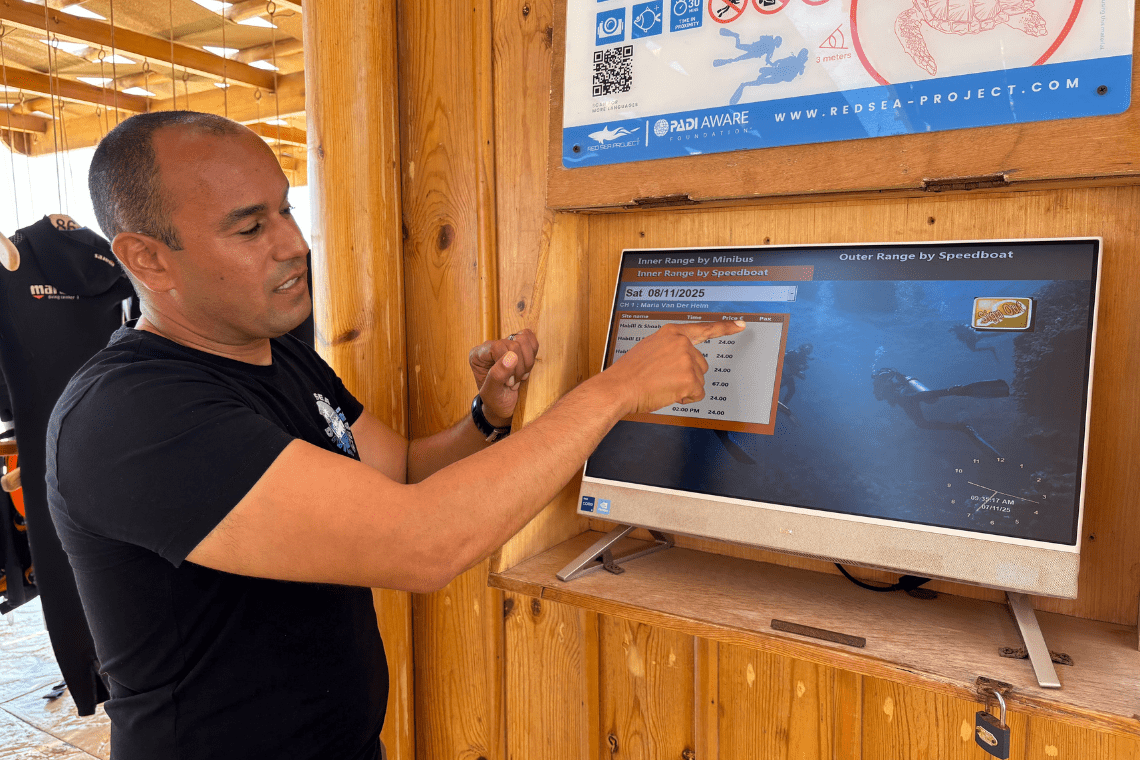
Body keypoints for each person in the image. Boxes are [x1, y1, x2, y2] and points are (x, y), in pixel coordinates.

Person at [44, 111, 744, 760]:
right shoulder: (130, 415)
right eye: (251, 228)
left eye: (287, 210)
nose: (294, 245)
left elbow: (400, 472)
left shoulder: (277, 353)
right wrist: (616, 390)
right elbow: (421, 542)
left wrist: (487, 418)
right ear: (149, 258)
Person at [871, 367, 1008, 456]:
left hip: (907, 393)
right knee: (922, 423)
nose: (875, 380)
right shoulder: (879, 384)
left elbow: (893, 379)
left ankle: (954, 391)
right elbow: (879, 397)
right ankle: (961, 427)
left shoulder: (884, 376)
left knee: (928, 399)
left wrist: (886, 379)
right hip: (906, 401)